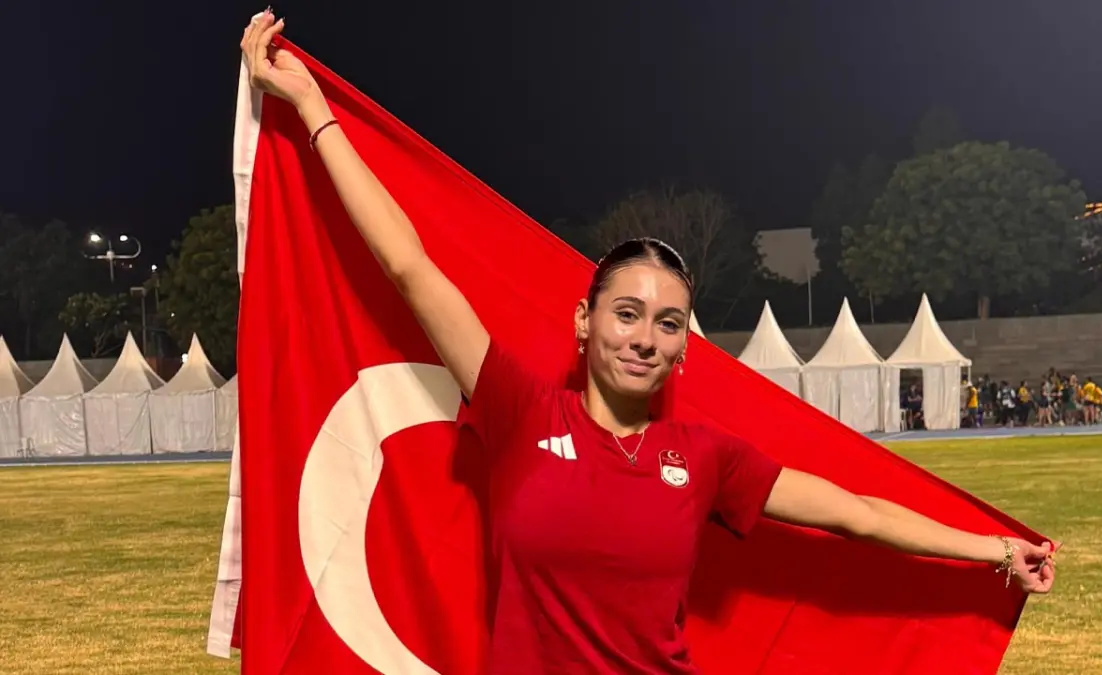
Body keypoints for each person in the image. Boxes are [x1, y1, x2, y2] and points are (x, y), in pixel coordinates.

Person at [239, 12, 1056, 673]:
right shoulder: (521, 412)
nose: (645, 337)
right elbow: (409, 266)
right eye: (626, 313)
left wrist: (995, 550)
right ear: (584, 321)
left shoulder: (705, 458)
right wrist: (313, 109)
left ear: (684, 348)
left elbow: (858, 514)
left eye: (668, 323)